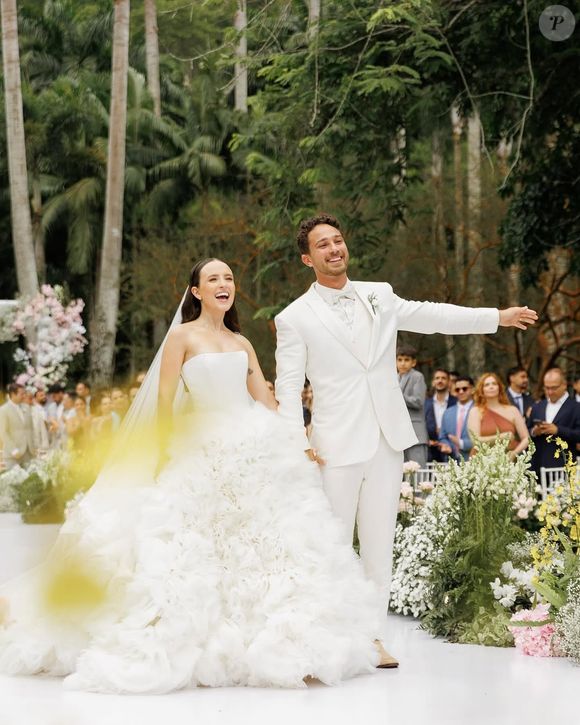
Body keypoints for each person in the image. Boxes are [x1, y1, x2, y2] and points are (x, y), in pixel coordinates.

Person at [0, 258, 386, 693]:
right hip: (202, 448)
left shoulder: (243, 344)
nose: (224, 284)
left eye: (229, 278)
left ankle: (287, 641)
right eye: (213, 279)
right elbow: (164, 403)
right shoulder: (181, 338)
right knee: (194, 547)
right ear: (196, 292)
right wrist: (165, 452)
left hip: (254, 448)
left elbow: (267, 402)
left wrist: (299, 444)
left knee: (274, 546)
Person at [274, 213, 538, 666]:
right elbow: (286, 386)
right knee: (332, 543)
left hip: (388, 439)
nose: (335, 249)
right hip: (332, 445)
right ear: (307, 258)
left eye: (338, 240)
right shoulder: (293, 318)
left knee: (380, 543)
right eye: (323, 245)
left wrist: (498, 316)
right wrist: (296, 439)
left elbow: (435, 316)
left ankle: (373, 638)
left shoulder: (379, 295)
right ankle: (329, 637)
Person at [529, 368, 580, 475]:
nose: (550, 392)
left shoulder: (576, 407)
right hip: (538, 467)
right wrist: (534, 431)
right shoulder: (537, 407)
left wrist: (558, 430)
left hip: (563, 468)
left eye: (554, 388)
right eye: (547, 388)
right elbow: (527, 431)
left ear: (564, 385)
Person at [467, 372, 529, 459]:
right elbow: (475, 441)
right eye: (487, 385)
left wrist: (514, 453)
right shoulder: (476, 411)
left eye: (494, 384)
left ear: (499, 388)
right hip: (482, 461)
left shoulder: (513, 410)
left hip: (508, 461)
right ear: (482, 390)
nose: (491, 387)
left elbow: (526, 438)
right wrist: (501, 437)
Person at [396, 345, 428, 468]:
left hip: (416, 432)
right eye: (400, 359)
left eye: (406, 360)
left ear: (413, 362)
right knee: (400, 473)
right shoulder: (393, 378)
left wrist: (397, 395)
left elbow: (418, 401)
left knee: (418, 471)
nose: (403, 363)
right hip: (398, 433)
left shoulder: (417, 376)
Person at [439, 375, 475, 461]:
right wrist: (446, 445)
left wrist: (461, 443)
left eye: (464, 388)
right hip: (450, 462)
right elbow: (442, 437)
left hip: (473, 461)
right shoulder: (448, 412)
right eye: (457, 389)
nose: (461, 392)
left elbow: (483, 437)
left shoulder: (479, 410)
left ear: (472, 389)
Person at [424, 368, 457, 462]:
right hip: (430, 450)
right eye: (437, 378)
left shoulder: (456, 402)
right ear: (433, 382)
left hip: (452, 449)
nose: (440, 380)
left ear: (449, 382)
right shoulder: (425, 403)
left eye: (443, 378)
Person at [0, 383, 31, 469]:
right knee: (15, 482)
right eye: (22, 394)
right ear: (13, 394)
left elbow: (30, 429)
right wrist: (13, 450)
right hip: (12, 455)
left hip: (28, 453)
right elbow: (3, 432)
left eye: (25, 393)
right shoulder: (3, 410)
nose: (24, 396)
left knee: (32, 481)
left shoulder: (27, 407)